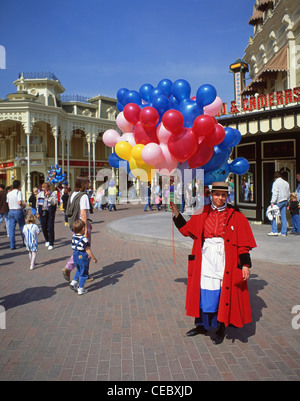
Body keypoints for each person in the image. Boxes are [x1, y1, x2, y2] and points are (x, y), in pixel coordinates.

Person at [169, 181, 257, 345]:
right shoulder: (202, 212)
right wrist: (177, 215)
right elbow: (187, 230)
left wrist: (245, 265)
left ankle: (219, 328)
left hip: (225, 259)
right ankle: (202, 325)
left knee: (222, 292)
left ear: (227, 196)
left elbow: (243, 244)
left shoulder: (235, 215)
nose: (220, 198)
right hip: (205, 257)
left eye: (223, 195)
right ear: (211, 195)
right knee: (203, 292)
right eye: (217, 194)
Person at [62, 175, 92, 282]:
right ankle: (79, 273)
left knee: (78, 249)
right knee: (85, 251)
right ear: (83, 183)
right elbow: (83, 213)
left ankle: (77, 271)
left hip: (74, 224)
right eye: (87, 182)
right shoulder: (83, 196)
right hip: (81, 225)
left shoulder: (72, 194)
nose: (89, 184)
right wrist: (86, 229)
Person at [69, 219, 97, 295]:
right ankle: (81, 288)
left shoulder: (74, 237)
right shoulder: (84, 239)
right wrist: (93, 257)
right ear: (83, 229)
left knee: (79, 269)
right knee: (84, 272)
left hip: (75, 255)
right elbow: (88, 250)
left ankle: (74, 282)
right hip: (82, 256)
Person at [268, 171, 290, 236]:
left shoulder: (275, 183)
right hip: (285, 200)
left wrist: (272, 202)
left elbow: (275, 193)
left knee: (272, 214)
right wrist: (288, 201)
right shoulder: (286, 183)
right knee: (283, 216)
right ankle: (284, 232)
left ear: (275, 176)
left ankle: (274, 230)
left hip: (278, 201)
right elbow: (288, 193)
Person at [36, 183, 57, 250]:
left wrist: (48, 197)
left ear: (48, 188)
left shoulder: (53, 194)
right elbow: (37, 204)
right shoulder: (39, 195)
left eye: (45, 188)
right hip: (42, 212)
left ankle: (51, 243)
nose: (44, 189)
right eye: (43, 188)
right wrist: (37, 213)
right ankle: (47, 240)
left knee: (50, 227)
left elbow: (54, 202)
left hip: (50, 212)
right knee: (43, 227)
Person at [6, 180, 26, 250]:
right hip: (17, 210)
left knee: (11, 229)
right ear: (19, 185)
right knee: (22, 227)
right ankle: (25, 242)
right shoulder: (18, 192)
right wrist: (24, 205)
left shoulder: (9, 193)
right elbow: (19, 202)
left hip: (11, 211)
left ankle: (12, 245)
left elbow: (8, 204)